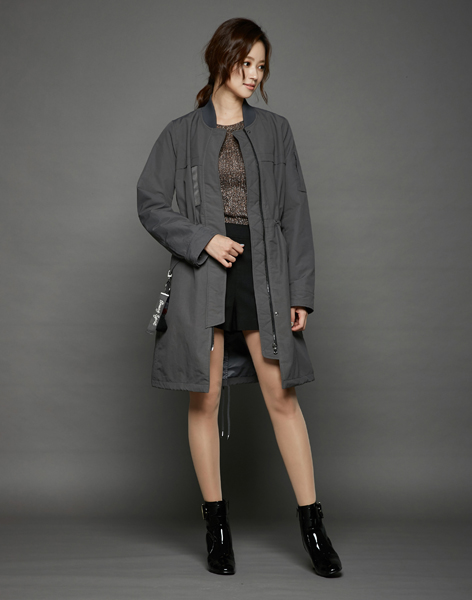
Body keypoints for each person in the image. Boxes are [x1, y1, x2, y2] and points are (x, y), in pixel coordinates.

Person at [136, 17, 341, 578]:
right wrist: (203, 239)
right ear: (222, 60)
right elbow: (151, 203)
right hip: (204, 272)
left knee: (282, 397)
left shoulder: (276, 130)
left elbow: (296, 212)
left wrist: (301, 292)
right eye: (246, 63)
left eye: (261, 66)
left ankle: (313, 526)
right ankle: (217, 527)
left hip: (264, 274)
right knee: (203, 400)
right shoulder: (180, 133)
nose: (254, 75)